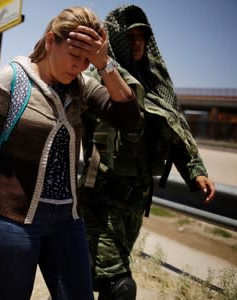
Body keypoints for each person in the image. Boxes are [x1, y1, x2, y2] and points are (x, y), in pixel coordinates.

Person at [0, 6, 144, 300]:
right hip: (12, 222)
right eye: (75, 56)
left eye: (87, 59)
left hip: (67, 220)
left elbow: (130, 120)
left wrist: (104, 63)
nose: (80, 66)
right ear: (50, 41)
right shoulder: (9, 82)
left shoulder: (82, 86)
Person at [78, 4, 216, 300]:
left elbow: (175, 130)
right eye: (130, 37)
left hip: (136, 202)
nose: (138, 42)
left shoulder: (156, 83)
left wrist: (195, 171)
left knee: (95, 279)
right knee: (119, 286)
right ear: (115, 40)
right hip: (101, 199)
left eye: (142, 36)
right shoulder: (96, 77)